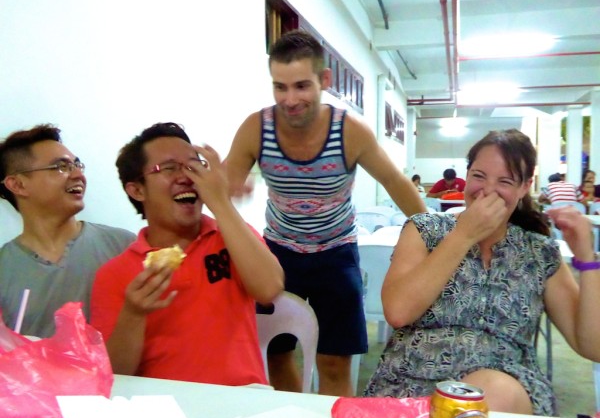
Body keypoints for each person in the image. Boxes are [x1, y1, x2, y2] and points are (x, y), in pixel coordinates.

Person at [225, 29, 426, 396]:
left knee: (333, 362)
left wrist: (436, 234)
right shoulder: (257, 128)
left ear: (325, 80)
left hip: (336, 252)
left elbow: (397, 184)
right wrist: (229, 185)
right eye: (280, 87)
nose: (290, 99)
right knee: (278, 353)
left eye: (301, 86)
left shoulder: (349, 132)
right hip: (278, 254)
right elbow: (226, 184)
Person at [364, 129, 600, 416]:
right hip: (409, 385)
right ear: (467, 175)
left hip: (503, 394)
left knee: (491, 393)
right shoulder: (425, 230)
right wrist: (463, 235)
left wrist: (588, 261)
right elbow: (398, 312)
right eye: (478, 176)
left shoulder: (538, 252)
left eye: (505, 181)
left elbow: (592, 346)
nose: (487, 190)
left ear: (525, 187)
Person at [90, 122, 283, 386]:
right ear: (137, 189)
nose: (186, 177)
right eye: (169, 168)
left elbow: (269, 288)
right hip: (162, 409)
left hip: (242, 400)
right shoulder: (114, 274)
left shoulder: (231, 237)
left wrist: (220, 202)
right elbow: (114, 375)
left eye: (194, 166)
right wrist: (133, 315)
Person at [0, 124, 135, 337]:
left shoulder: (124, 246)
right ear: (18, 185)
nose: (78, 174)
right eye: (61, 167)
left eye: (77, 165)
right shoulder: (4, 268)